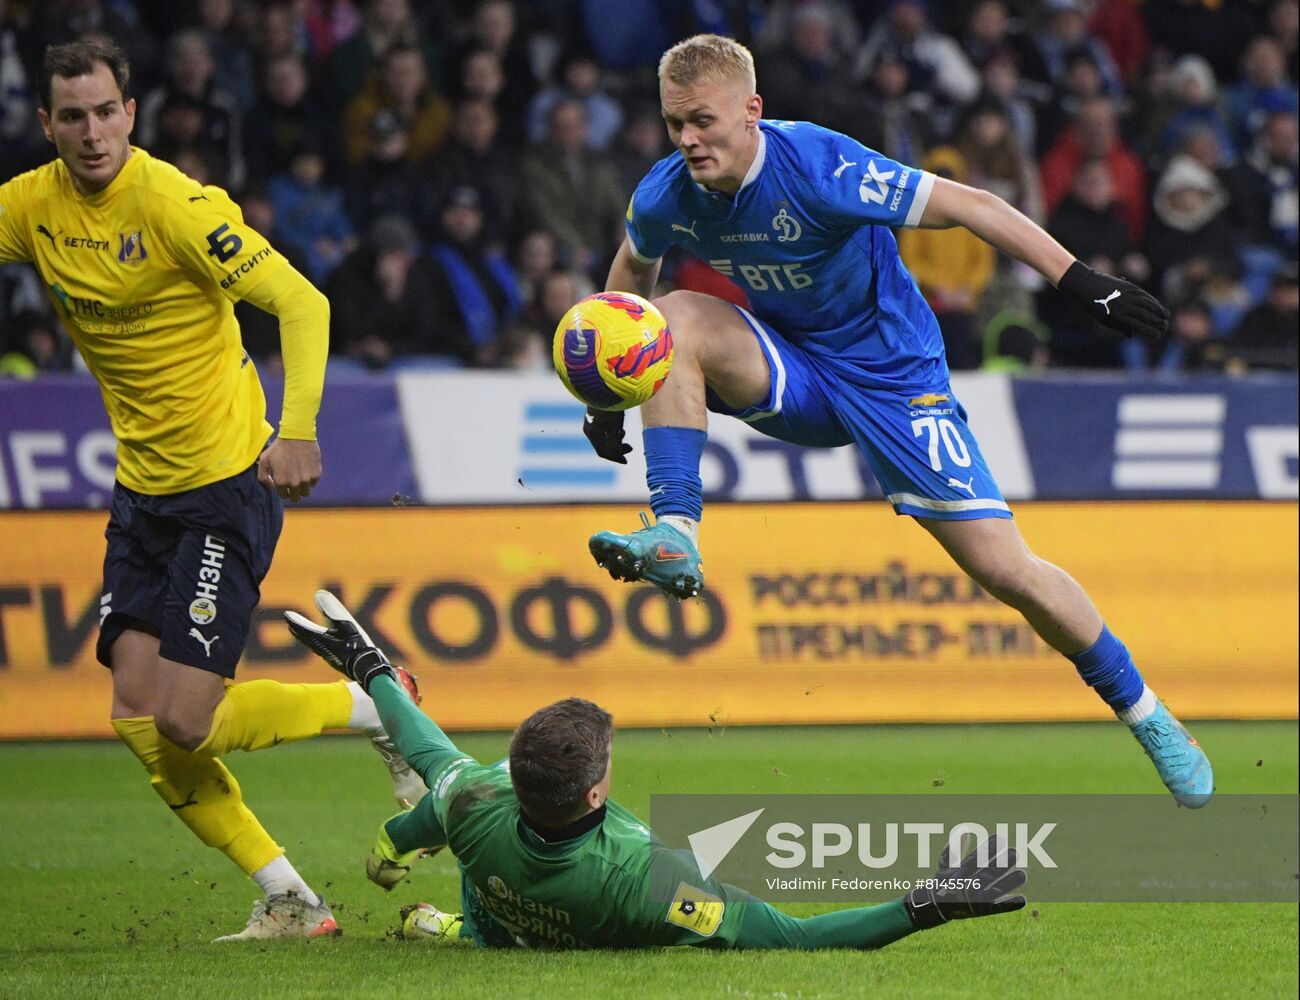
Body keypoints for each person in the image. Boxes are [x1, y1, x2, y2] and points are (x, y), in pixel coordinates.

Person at [579, 35, 1212, 807]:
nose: (687, 141)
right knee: (672, 316)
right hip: (795, 368)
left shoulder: (820, 166)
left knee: (1007, 572)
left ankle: (1148, 715)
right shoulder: (665, 191)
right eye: (675, 123)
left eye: (702, 122)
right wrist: (608, 390)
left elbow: (970, 205)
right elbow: (629, 289)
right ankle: (676, 529)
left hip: (894, 379)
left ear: (752, 111)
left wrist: (1079, 281)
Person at [0, 39, 426, 941]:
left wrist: (298, 428)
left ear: (131, 112)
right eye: (70, 116)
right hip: (142, 495)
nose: (90, 132)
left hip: (225, 486)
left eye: (106, 111)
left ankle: (380, 703)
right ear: (45, 124)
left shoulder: (175, 206)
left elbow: (303, 303)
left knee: (185, 721)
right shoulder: (31, 207)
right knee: (137, 718)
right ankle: (293, 901)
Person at [285, 591, 1030, 950]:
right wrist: (925, 905)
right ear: (596, 790)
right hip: (574, 918)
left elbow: (422, 746)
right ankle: (462, 934)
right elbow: (794, 940)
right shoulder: (645, 876)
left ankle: (464, 930)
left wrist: (371, 670)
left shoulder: (477, 799)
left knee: (470, 854)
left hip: (503, 896)